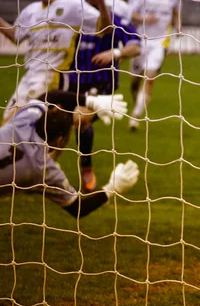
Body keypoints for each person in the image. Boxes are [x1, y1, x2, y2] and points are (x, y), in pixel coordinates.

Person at [0, 0, 113, 123]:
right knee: (10, 125)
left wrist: (101, 2)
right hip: (29, 75)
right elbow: (15, 36)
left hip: (53, 76)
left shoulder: (72, 6)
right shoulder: (30, 11)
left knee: (15, 123)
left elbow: (105, 30)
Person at [0, 90, 138, 218]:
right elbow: (78, 209)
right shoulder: (44, 170)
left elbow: (51, 95)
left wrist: (89, 101)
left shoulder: (25, 119)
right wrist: (112, 188)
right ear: (60, 140)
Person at [69, 0, 141, 192]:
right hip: (68, 84)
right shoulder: (70, 17)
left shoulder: (114, 19)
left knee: (80, 119)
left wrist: (115, 54)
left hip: (101, 87)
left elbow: (136, 46)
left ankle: (86, 166)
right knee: (54, 128)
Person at [127, 0, 181, 131]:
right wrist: (144, 18)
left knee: (150, 77)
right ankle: (137, 101)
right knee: (135, 81)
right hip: (140, 41)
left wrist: (178, 26)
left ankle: (135, 116)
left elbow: (176, 13)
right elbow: (130, 14)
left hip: (160, 42)